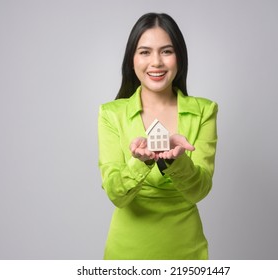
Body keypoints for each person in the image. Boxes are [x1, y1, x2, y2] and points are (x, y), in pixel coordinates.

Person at [97, 12, 218, 260]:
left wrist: (177, 161)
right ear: (132, 59)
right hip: (127, 251)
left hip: (186, 250)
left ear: (179, 58)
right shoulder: (111, 114)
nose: (156, 62)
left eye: (166, 51)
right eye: (145, 52)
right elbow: (116, 195)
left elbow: (199, 191)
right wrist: (139, 163)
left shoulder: (204, 111)